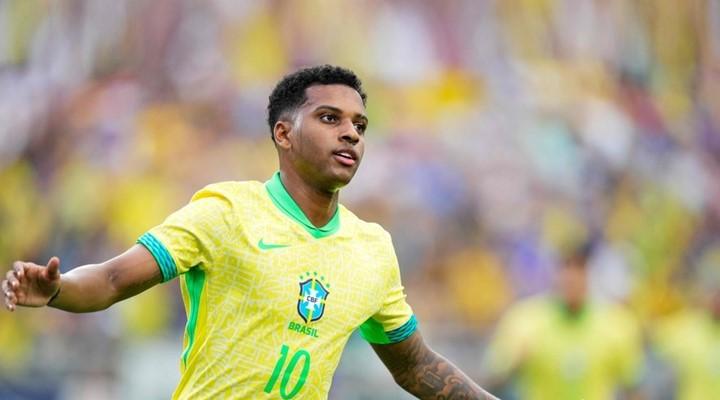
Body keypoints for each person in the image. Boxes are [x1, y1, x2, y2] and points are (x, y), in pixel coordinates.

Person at [2, 65, 499, 400]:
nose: (351, 133)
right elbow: (112, 280)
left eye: (360, 125)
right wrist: (59, 290)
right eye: (330, 118)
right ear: (283, 134)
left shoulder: (373, 249)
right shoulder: (226, 212)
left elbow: (413, 366)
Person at [481, 240, 644, 400]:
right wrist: (513, 364)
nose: (571, 277)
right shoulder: (524, 320)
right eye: (565, 266)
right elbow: (490, 381)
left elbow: (633, 389)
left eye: (579, 267)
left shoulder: (616, 324)